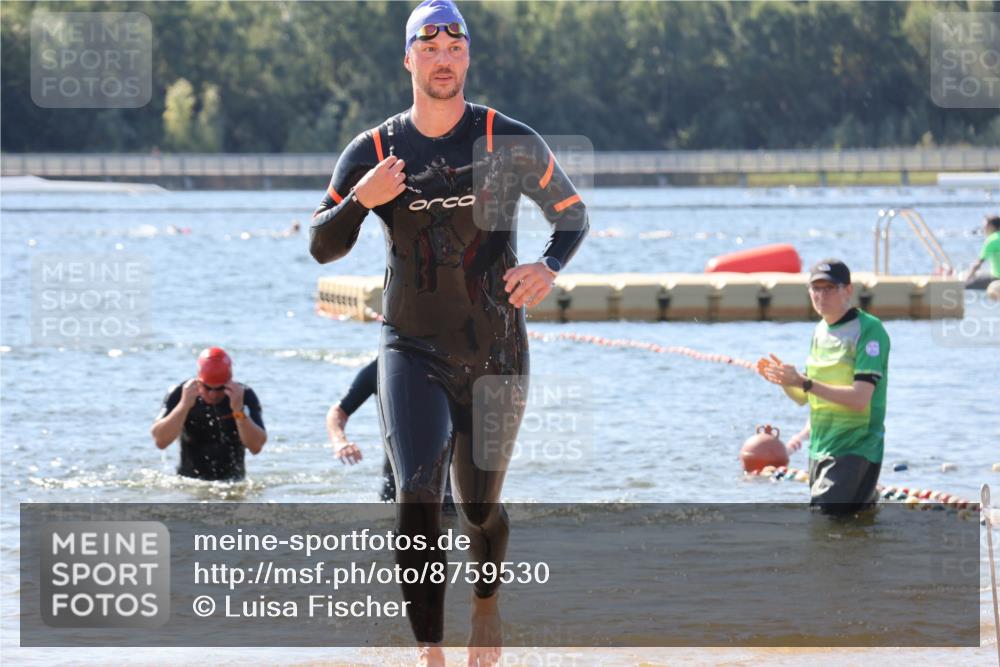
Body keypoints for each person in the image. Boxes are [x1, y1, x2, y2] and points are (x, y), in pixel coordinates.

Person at [308, 1, 589, 664]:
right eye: (427, 46)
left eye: (454, 45)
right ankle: (430, 650)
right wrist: (361, 200)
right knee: (416, 493)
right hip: (411, 345)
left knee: (479, 507)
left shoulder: (506, 138)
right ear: (408, 58)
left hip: (497, 348)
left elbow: (572, 216)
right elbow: (322, 245)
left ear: (466, 56)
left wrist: (548, 266)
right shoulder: (374, 149)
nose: (442, 57)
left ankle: (485, 604)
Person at [757, 260, 890, 516]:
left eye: (829, 288)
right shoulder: (820, 330)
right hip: (820, 446)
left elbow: (860, 398)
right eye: (815, 288)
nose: (821, 295)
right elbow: (804, 398)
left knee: (823, 525)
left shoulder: (870, 330)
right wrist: (786, 381)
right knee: (847, 531)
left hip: (856, 447)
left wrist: (804, 382)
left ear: (848, 290)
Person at [327, 357, 454, 508]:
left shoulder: (448, 365)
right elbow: (339, 411)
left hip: (447, 481)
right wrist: (339, 441)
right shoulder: (381, 367)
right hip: (397, 482)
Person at [151, 347, 266, 481]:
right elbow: (160, 441)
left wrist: (238, 411)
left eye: (220, 388)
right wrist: (184, 406)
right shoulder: (181, 394)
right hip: (188, 484)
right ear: (198, 380)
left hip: (233, 484)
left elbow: (256, 447)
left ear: (230, 382)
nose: (213, 394)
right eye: (207, 387)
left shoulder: (243, 396)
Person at [965, 214, 1000, 286]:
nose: (983, 229)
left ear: (992, 226)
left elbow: (978, 264)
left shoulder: (992, 240)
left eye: (985, 226)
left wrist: (966, 279)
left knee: (965, 280)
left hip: (997, 278)